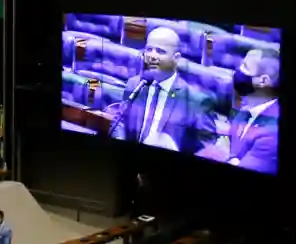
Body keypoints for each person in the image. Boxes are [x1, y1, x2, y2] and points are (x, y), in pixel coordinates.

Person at [106, 26, 208, 156]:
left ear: (176, 58)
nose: (152, 56)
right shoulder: (135, 84)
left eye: (160, 51)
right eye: (149, 49)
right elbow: (120, 121)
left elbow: (204, 149)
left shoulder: (194, 101)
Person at [200, 49, 281, 173]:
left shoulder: (273, 132)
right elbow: (229, 144)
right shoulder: (246, 106)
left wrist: (222, 155)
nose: (238, 70)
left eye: (245, 67)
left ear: (263, 81)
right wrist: (232, 158)